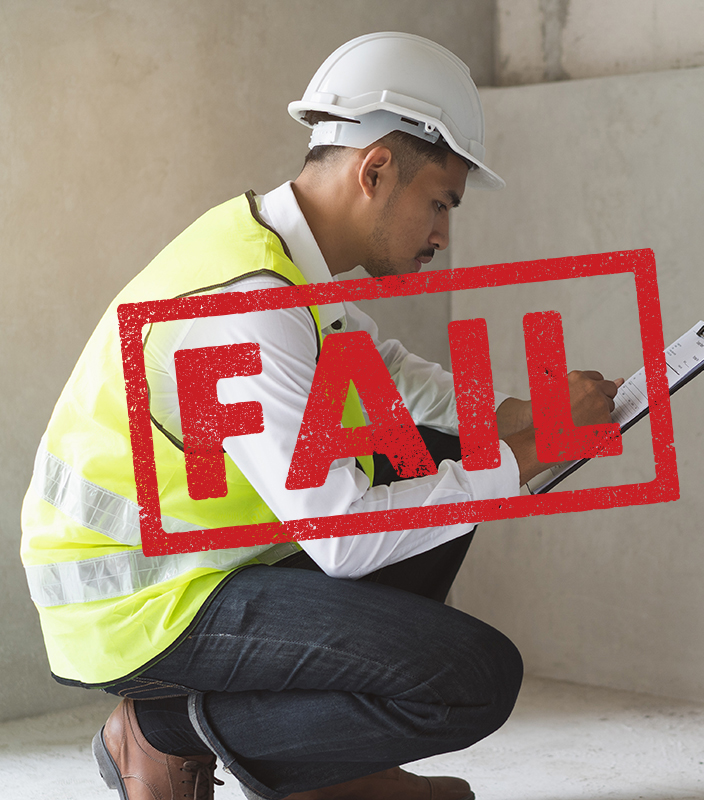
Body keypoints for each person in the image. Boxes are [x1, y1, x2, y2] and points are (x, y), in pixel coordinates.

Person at [20, 32, 620, 800]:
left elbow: (384, 374)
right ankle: (160, 730)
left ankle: (320, 766)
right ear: (375, 170)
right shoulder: (249, 304)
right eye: (440, 203)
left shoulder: (279, 251)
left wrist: (512, 417)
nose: (444, 234)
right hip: (139, 601)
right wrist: (519, 458)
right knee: (475, 676)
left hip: (209, 563)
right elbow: (340, 535)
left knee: (433, 445)